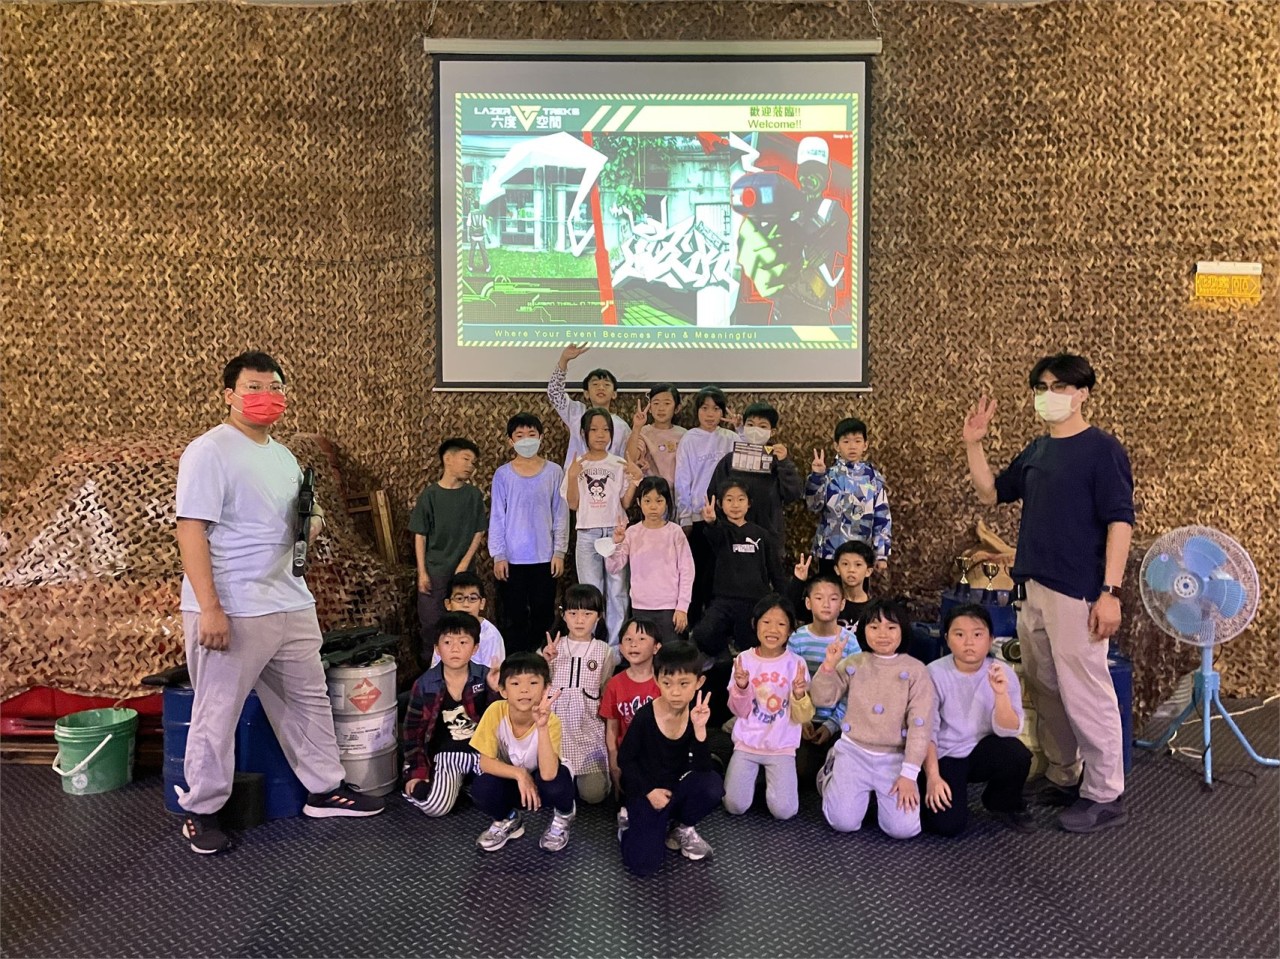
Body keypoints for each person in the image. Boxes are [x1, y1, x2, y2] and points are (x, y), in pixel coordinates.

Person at [174, 351, 382, 854]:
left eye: (275, 387)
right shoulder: (209, 451)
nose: (266, 396)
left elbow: (302, 516)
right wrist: (210, 608)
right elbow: (190, 529)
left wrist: (312, 523)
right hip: (235, 605)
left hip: (289, 599)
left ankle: (324, 789)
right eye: (254, 387)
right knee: (216, 712)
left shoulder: (284, 456)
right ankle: (202, 810)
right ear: (229, 394)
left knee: (307, 699)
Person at [963, 353, 1134, 833]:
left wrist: (1110, 592)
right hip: (1032, 587)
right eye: (1041, 387)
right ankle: (1065, 774)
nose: (1048, 395)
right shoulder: (1038, 450)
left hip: (1078, 591)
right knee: (1046, 686)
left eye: (1059, 386)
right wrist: (974, 445)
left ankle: (1105, 792)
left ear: (1082, 394)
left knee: (1086, 691)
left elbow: (1120, 521)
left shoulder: (1102, 450)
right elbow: (990, 493)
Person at [811, 599, 933, 840]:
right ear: (863, 630)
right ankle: (830, 772)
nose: (882, 634)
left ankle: (873, 796)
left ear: (902, 630)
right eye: (874, 627)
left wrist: (909, 774)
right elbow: (822, 698)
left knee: (902, 829)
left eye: (891, 627)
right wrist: (828, 666)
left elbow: (920, 725)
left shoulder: (916, 670)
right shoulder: (854, 663)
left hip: (894, 757)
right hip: (853, 751)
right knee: (842, 822)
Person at [922, 604, 1033, 836]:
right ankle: (925, 786)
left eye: (977, 634)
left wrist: (1000, 694)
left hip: (982, 749)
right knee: (947, 827)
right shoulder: (933, 674)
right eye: (959, 634)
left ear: (991, 639)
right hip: (945, 754)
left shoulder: (1002, 672)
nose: (969, 642)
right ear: (947, 639)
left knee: (1017, 755)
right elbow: (926, 732)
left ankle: (1001, 803)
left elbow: (1009, 731)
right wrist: (933, 777)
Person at [618, 642, 723, 876]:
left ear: (699, 682)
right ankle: (628, 825)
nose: (675, 692)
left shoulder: (697, 713)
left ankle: (681, 827)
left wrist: (700, 730)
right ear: (657, 681)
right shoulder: (645, 717)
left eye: (684, 684)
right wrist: (649, 791)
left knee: (712, 785)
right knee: (643, 865)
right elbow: (625, 760)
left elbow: (702, 768)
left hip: (676, 787)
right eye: (667, 683)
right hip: (646, 789)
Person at [733, 134, 850, 327]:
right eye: (804, 171)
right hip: (782, 312)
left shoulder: (833, 210)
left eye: (816, 172)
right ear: (798, 173)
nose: (808, 178)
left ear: (827, 176)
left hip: (816, 311)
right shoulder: (786, 208)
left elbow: (841, 241)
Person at [471, 652, 576, 853]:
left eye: (533, 683)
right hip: (515, 779)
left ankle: (564, 815)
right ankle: (509, 820)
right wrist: (519, 774)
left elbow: (548, 774)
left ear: (545, 689)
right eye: (515, 683)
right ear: (503, 690)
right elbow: (485, 762)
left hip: (542, 782)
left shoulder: (551, 721)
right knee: (482, 788)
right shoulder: (495, 711)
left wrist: (542, 727)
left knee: (557, 784)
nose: (525, 690)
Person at [723, 595, 814, 820]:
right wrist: (742, 687)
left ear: (790, 630)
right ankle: (753, 779)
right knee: (735, 805)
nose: (773, 629)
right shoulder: (743, 660)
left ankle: (767, 781)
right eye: (766, 622)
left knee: (785, 811)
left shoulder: (797, 664)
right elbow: (739, 711)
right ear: (755, 624)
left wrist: (799, 694)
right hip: (747, 744)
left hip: (781, 746)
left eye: (781, 624)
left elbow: (803, 716)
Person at [401, 612, 497, 817]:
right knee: (436, 808)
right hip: (446, 755)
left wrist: (496, 691)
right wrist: (417, 771)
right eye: (447, 642)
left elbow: (500, 721)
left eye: (463, 642)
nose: (455, 649)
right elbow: (412, 732)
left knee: (499, 797)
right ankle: (432, 784)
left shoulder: (486, 676)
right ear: (437, 648)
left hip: (483, 753)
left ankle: (465, 785)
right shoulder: (425, 684)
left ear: (475, 648)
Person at [488, 413, 567, 653]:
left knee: (544, 614)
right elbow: (497, 517)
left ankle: (542, 660)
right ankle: (516, 662)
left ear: (541, 437)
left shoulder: (554, 472)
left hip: (545, 557)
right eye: (520, 435)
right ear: (510, 441)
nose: (526, 440)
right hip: (512, 560)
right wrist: (498, 555)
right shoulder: (503, 475)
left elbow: (561, 513)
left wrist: (559, 552)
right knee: (514, 616)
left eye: (531, 434)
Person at [562, 408, 641, 646]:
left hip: (615, 533)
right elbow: (573, 504)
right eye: (594, 430)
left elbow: (625, 503)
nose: (600, 435)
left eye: (606, 430)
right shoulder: (577, 465)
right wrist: (573, 477)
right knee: (590, 593)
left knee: (617, 592)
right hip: (587, 534)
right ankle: (591, 645)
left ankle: (615, 647)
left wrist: (635, 480)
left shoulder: (618, 463)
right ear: (584, 433)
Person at [542, 584, 621, 805]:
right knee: (552, 791)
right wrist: (545, 661)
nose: (579, 620)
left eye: (587, 614)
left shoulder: (604, 651)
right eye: (573, 613)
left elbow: (604, 688)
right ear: (563, 615)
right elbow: (538, 685)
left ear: (599, 616)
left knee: (594, 795)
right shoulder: (552, 647)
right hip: (556, 728)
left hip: (588, 730)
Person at [690, 481, 787, 659]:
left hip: (755, 600)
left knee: (750, 644)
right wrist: (711, 522)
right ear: (720, 504)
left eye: (741, 499)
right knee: (703, 633)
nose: (735, 505)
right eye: (729, 499)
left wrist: (785, 602)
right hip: (723, 600)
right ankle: (724, 654)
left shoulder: (761, 535)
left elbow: (776, 571)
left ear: (749, 503)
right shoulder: (719, 531)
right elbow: (714, 536)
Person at [409, 437, 486, 659]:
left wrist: (464, 564)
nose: (470, 466)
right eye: (466, 459)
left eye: (473, 462)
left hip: (463, 572)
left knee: (465, 624)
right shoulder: (430, 495)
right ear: (448, 459)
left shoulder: (473, 495)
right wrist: (422, 572)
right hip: (435, 570)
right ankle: (432, 669)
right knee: (431, 623)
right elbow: (420, 535)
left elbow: (478, 531)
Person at [705, 401, 804, 565]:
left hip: (768, 537)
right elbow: (713, 496)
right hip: (732, 536)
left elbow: (793, 493)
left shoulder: (777, 461)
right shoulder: (729, 460)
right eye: (750, 425)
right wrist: (721, 525)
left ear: (772, 432)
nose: (756, 430)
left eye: (762, 426)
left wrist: (784, 463)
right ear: (743, 427)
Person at [787, 575, 861, 786]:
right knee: (800, 773)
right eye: (819, 598)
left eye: (833, 598)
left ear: (842, 604)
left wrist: (833, 724)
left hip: (838, 722)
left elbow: (854, 691)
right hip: (801, 720)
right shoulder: (797, 639)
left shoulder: (849, 642)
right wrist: (802, 720)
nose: (826, 604)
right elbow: (788, 685)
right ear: (808, 603)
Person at [673, 386, 739, 620]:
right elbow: (682, 479)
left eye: (716, 409)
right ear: (697, 411)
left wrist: (741, 429)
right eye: (704, 408)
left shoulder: (731, 438)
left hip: (726, 518)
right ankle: (693, 625)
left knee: (722, 575)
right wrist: (685, 516)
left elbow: (748, 464)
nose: (710, 414)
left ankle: (719, 625)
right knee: (697, 573)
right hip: (698, 517)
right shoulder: (689, 439)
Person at [604, 476, 694, 646]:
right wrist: (616, 544)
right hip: (640, 607)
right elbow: (614, 567)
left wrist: (682, 607)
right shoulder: (632, 533)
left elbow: (687, 571)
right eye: (647, 501)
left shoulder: (675, 532)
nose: (653, 506)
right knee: (644, 652)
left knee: (669, 654)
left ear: (666, 503)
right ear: (639, 502)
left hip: (669, 608)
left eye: (659, 501)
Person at [806, 417, 891, 574]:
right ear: (836, 446)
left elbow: (882, 516)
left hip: (861, 554)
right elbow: (813, 506)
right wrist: (817, 477)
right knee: (829, 589)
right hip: (830, 552)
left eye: (857, 441)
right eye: (846, 441)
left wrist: (881, 554)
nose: (852, 446)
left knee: (857, 590)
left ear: (865, 445)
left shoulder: (873, 478)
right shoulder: (828, 476)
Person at [600, 618, 663, 801]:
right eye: (628, 639)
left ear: (656, 647)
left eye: (642, 639)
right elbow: (612, 728)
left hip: (658, 754)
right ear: (620, 647)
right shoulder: (615, 683)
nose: (633, 644)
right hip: (628, 757)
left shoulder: (663, 682)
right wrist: (614, 761)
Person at [547, 344, 630, 473]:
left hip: (609, 480)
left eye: (606, 385)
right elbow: (554, 393)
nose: (601, 388)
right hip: (576, 478)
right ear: (586, 393)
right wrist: (564, 360)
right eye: (595, 384)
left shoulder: (622, 426)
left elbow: (627, 458)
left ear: (614, 394)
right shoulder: (576, 414)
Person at [789, 539, 875, 629]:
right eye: (845, 564)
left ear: (868, 571)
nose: (851, 570)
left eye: (858, 565)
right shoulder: (824, 602)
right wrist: (798, 580)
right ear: (837, 569)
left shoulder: (874, 609)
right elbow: (790, 611)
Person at [430, 572, 506, 668]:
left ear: (482, 603)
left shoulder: (491, 636)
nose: (466, 605)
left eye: (473, 598)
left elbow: (492, 673)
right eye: (459, 598)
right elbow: (435, 668)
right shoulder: (444, 631)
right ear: (448, 604)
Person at [625, 383, 687, 489]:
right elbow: (631, 459)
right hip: (650, 491)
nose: (661, 408)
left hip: (677, 492)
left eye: (667, 403)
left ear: (677, 408)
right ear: (649, 407)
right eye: (656, 403)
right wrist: (637, 428)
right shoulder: (643, 432)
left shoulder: (684, 435)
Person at [465, 191, 490, 274]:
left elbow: (468, 225)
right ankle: (487, 267)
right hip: (481, 236)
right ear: (478, 205)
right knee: (484, 251)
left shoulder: (470, 214)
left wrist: (467, 236)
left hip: (473, 236)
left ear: (473, 205)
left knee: (472, 251)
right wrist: (487, 236)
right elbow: (485, 226)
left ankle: (470, 266)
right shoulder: (482, 214)